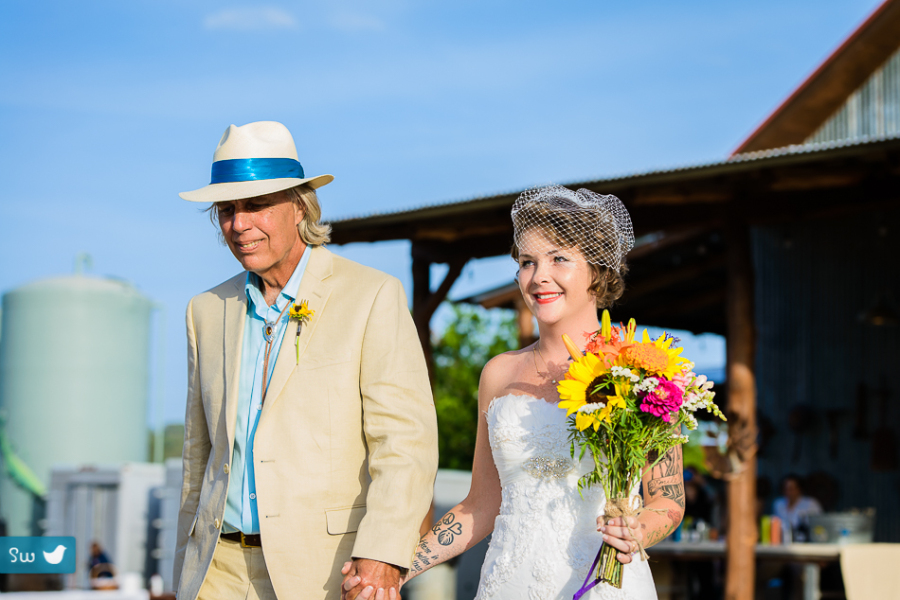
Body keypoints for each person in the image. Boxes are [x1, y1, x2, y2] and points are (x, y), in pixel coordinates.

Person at [344, 185, 685, 599]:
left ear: (599, 271)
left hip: (602, 584)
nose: (538, 276)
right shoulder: (498, 374)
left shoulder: (641, 371)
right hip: (508, 583)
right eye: (527, 262)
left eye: (559, 258)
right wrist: (397, 568)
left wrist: (637, 531)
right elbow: (480, 506)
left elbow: (667, 501)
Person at [173, 121, 438, 600]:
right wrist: (184, 572)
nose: (238, 224)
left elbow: (405, 443)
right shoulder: (205, 312)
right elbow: (199, 458)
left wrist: (382, 553)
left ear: (300, 206)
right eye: (227, 210)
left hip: (326, 569)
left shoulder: (371, 295)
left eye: (255, 206)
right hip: (215, 571)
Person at [773, 474, 822, 542]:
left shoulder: (811, 503)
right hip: (782, 542)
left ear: (799, 489)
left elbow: (819, 525)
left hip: (806, 542)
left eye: (791, 489)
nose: (788, 492)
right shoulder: (778, 504)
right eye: (785, 489)